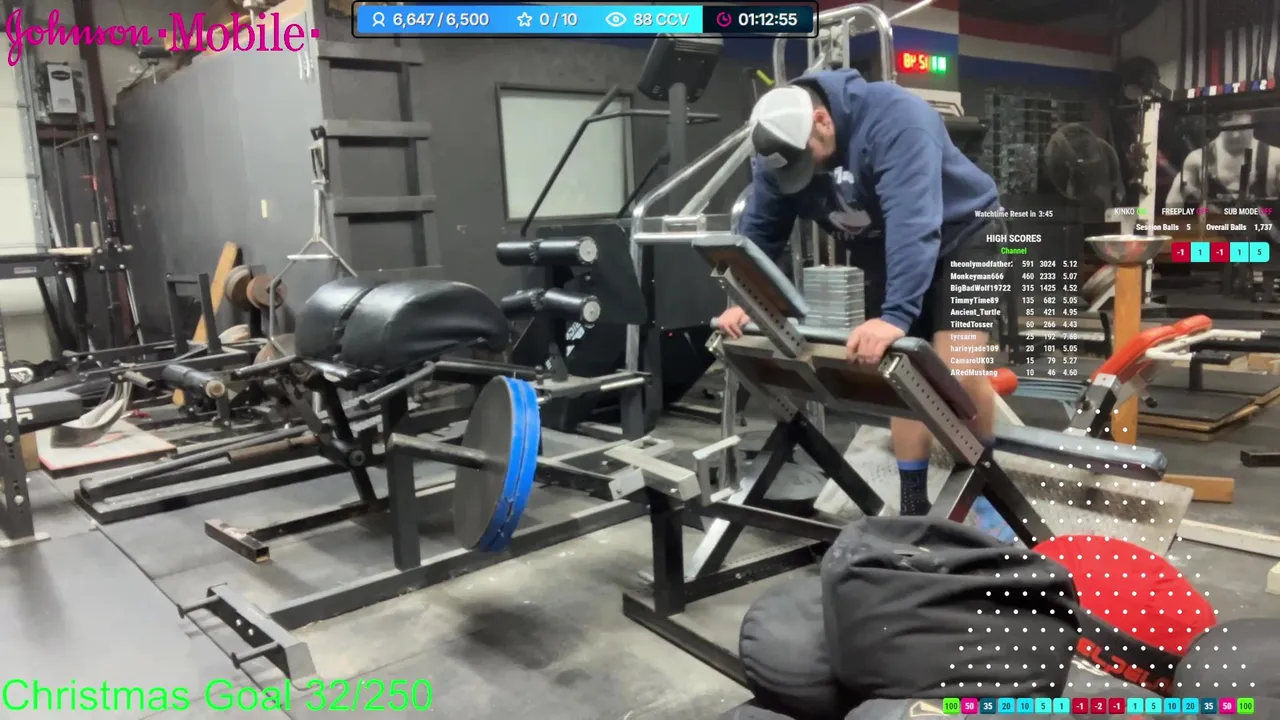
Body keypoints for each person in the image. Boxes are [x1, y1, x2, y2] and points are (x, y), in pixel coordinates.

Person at [717, 68, 1014, 541]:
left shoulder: (897, 120)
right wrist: (748, 297)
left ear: (822, 120)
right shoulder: (780, 149)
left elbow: (914, 222)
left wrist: (895, 316)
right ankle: (914, 506)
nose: (806, 173)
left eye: (809, 160)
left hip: (966, 234)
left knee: (958, 368)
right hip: (886, 245)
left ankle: (987, 496)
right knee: (900, 374)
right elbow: (761, 232)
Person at [1166, 112, 1280, 206]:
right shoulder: (1197, 159)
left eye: (1242, 129)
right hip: (1212, 225)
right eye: (1230, 130)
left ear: (1253, 125)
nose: (1236, 135)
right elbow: (1173, 202)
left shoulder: (1275, 158)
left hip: (1261, 225)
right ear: (1220, 126)